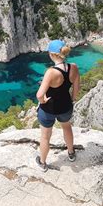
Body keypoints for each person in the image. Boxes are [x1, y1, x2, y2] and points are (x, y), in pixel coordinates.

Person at [35, 39, 80, 172]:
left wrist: (43, 101)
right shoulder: (74, 67)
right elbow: (77, 88)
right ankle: (71, 153)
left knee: (45, 136)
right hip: (66, 106)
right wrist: (71, 99)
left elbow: (39, 95)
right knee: (67, 128)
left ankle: (43, 163)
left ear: (52, 54)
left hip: (48, 109)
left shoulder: (51, 72)